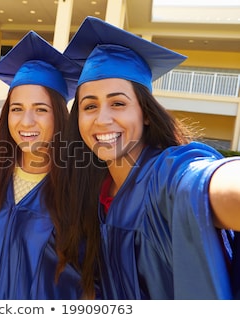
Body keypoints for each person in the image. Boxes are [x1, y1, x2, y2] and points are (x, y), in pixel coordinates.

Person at [54, 16, 240, 299]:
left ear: (146, 114)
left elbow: (205, 180)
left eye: (118, 103)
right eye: (89, 106)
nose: (102, 119)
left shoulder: (167, 173)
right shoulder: (91, 192)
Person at [0, 31, 83, 299]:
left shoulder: (78, 191)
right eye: (16, 109)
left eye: (41, 109)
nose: (26, 122)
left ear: (59, 116)